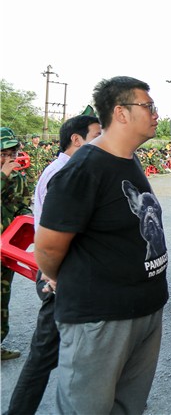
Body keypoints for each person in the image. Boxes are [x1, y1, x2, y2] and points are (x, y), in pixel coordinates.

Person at [34, 76, 169, 414]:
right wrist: (60, 277)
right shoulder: (84, 169)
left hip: (144, 310)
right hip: (100, 318)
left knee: (127, 407)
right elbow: (48, 248)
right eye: (148, 106)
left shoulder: (128, 160)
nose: (156, 114)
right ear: (121, 112)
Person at [6, 115, 101, 414]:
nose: (102, 141)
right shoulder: (61, 173)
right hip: (60, 276)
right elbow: (55, 234)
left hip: (72, 273)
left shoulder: (74, 169)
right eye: (96, 135)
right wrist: (55, 274)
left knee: (89, 345)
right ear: (76, 139)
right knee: (44, 352)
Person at [1, 127, 33, 361]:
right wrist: (3, 175)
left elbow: (22, 205)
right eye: (3, 153)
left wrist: (27, 217)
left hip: (6, 246)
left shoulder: (18, 177)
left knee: (2, 297)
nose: (8, 158)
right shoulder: (6, 174)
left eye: (11, 153)